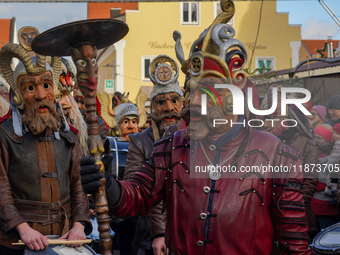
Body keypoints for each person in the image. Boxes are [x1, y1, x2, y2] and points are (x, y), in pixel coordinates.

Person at [81, 2, 311, 254]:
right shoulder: (170, 148)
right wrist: (107, 185)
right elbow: (136, 196)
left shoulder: (278, 155)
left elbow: (295, 244)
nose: (194, 102)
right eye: (192, 90)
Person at [0, 26, 91, 254]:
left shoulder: (69, 135)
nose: (41, 95)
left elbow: (78, 186)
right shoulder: (4, 135)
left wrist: (79, 224)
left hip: (64, 237)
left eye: (46, 85)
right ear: (19, 94)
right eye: (30, 87)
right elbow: (0, 189)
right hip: (16, 243)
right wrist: (22, 227)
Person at [262, 84, 319, 238]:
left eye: (275, 116)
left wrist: (289, 206)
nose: (269, 121)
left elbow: (309, 182)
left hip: (296, 216)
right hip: (265, 216)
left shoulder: (307, 142)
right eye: (268, 117)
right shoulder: (264, 142)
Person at [311, 124, 340, 231]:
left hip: (331, 203)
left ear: (329, 140)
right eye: (314, 137)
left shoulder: (335, 153)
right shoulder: (312, 152)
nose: (315, 141)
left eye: (319, 138)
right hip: (318, 203)